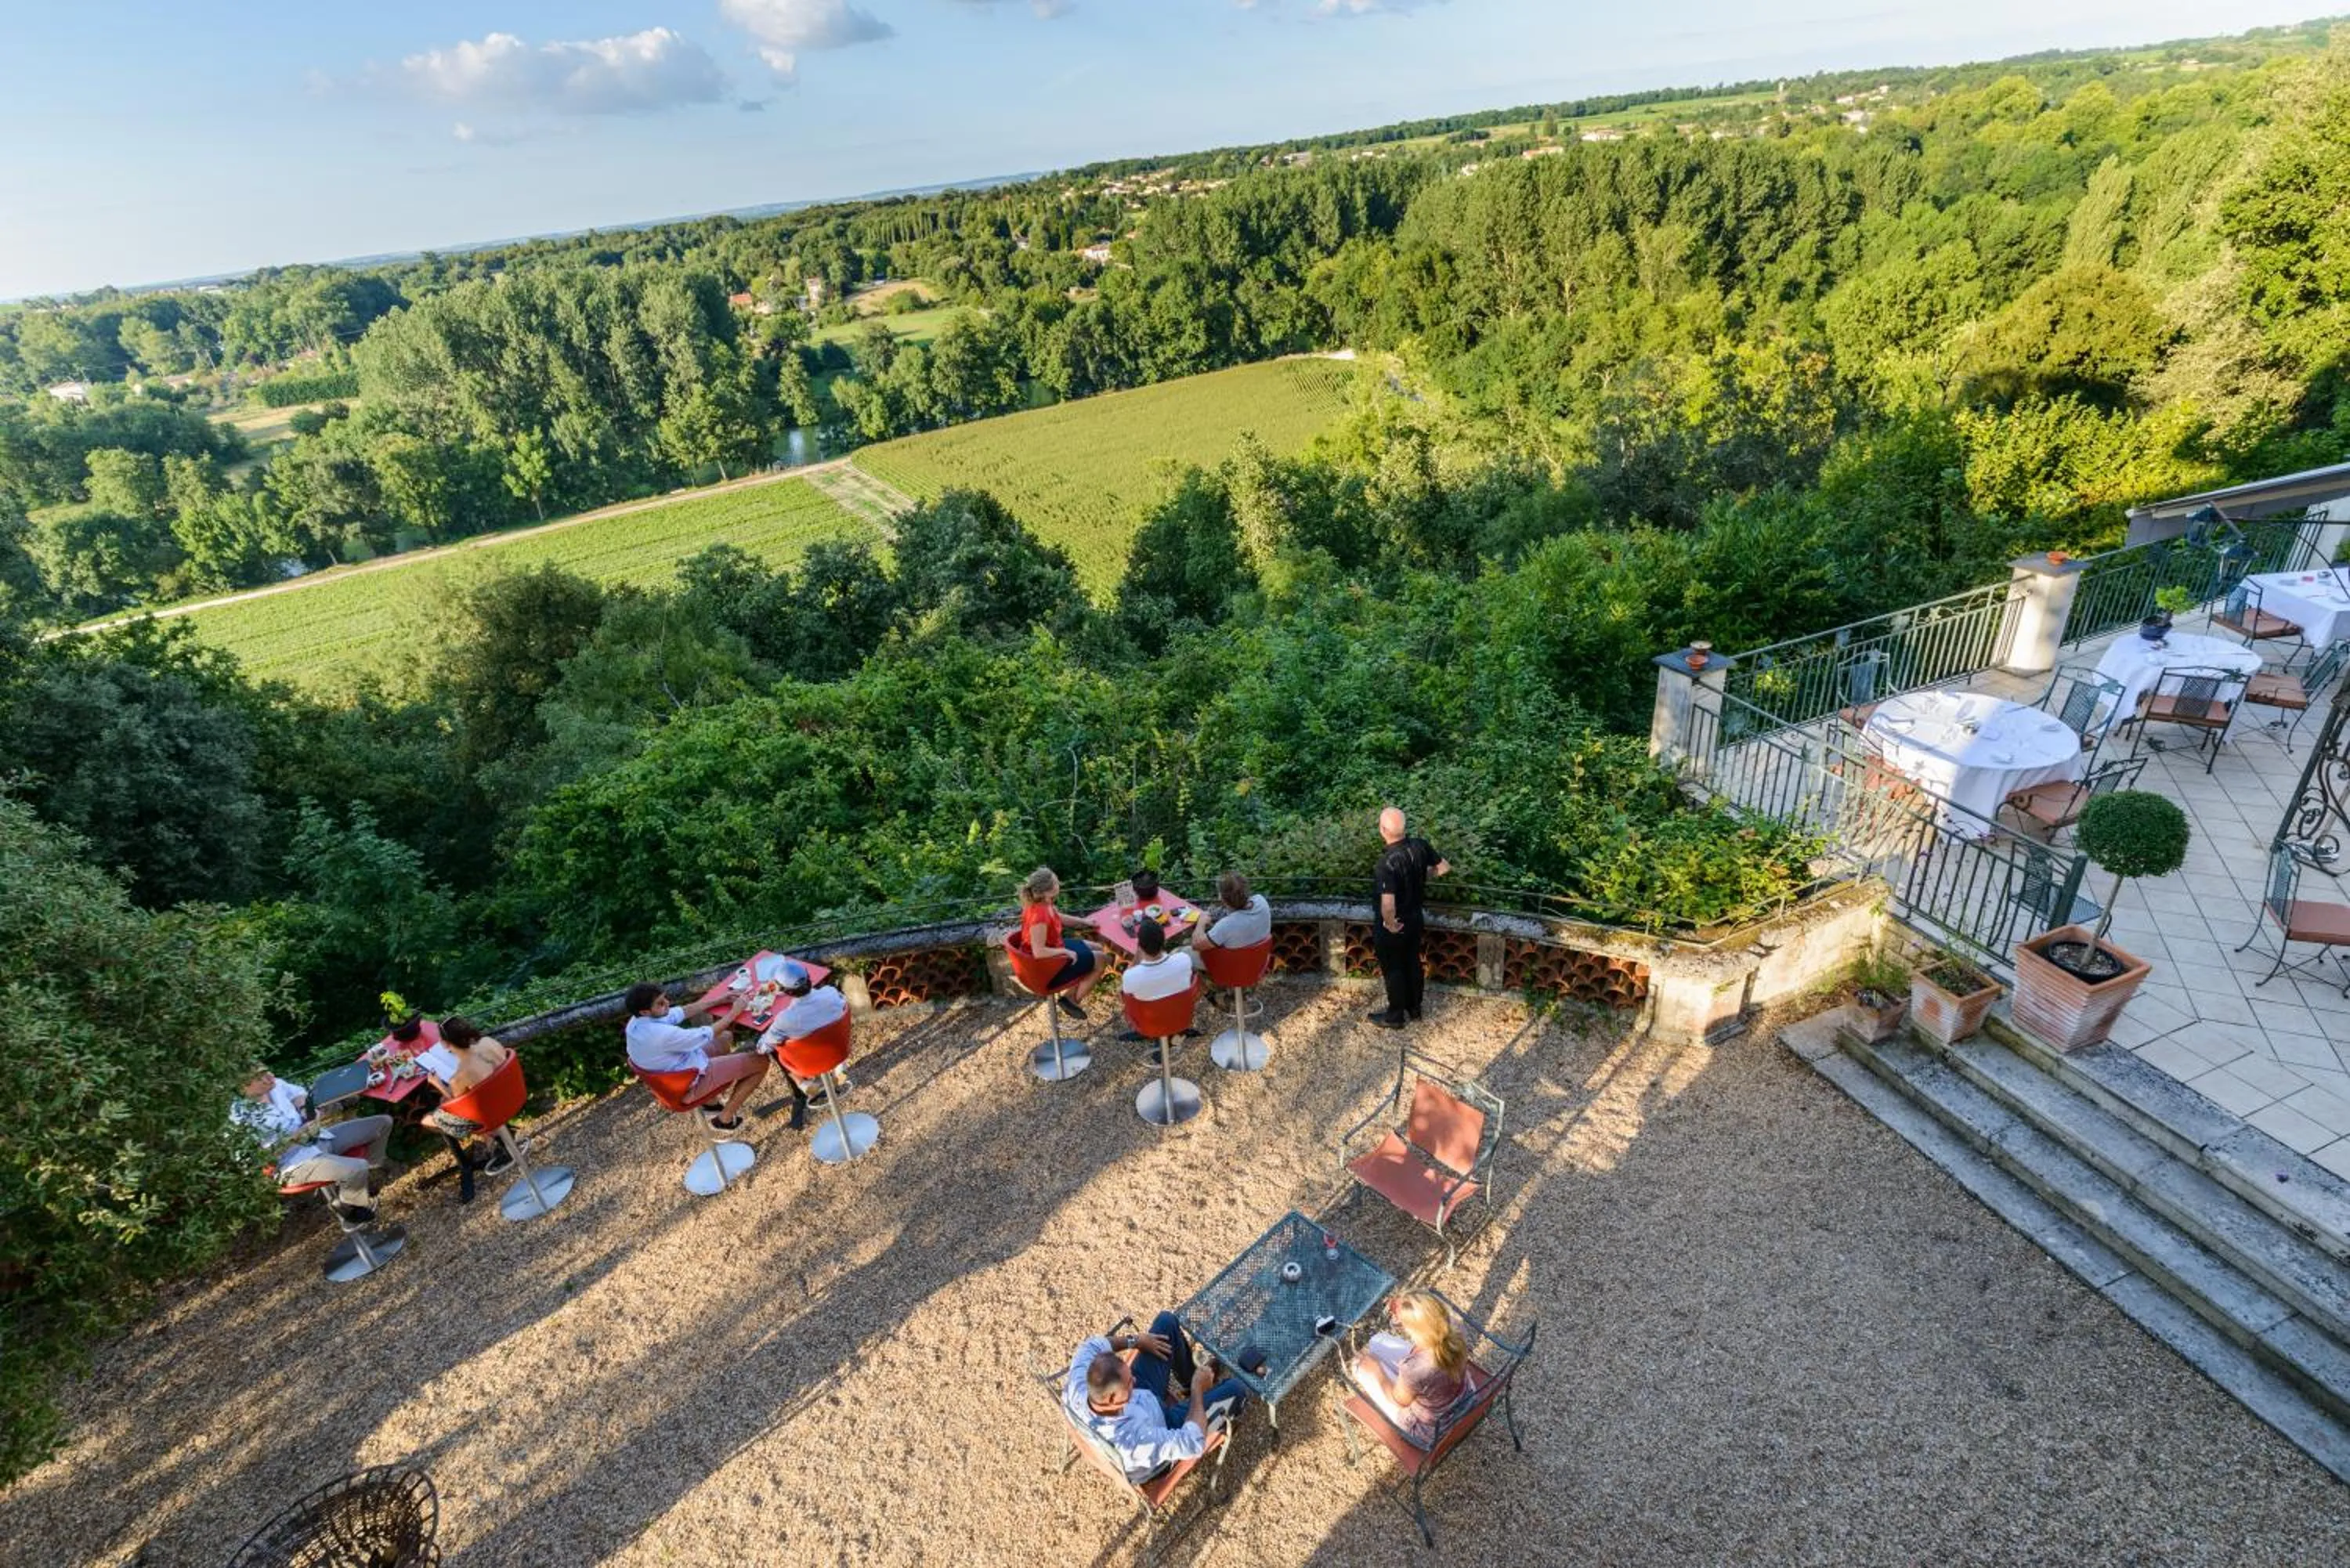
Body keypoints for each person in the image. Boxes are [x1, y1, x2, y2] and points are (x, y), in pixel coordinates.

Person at [1061, 1313, 1263, 1484]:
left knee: (1166, 1322)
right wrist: (1197, 1390)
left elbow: (1093, 1345)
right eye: (1129, 1383)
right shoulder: (1134, 1442)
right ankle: (1199, 1386)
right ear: (1112, 1399)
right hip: (1162, 1427)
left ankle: (1192, 1375)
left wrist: (1137, 1341)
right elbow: (1191, 1443)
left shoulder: (1081, 1382)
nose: (1134, 1378)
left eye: (1129, 1374)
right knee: (1237, 1389)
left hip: (1144, 1403)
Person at [233, 1068, 392, 1226]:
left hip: (319, 1138)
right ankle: (348, 1207)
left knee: (383, 1123)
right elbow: (254, 1162)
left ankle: (366, 1179)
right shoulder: (239, 1117)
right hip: (292, 1164)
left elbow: (298, 1094)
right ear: (245, 1086)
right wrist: (293, 1139)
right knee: (357, 1168)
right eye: (262, 1077)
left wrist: (306, 1110)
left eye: (267, 1071)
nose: (271, 1077)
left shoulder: (275, 1085)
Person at [623, 979, 769, 1133]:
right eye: (661, 1003)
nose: (667, 1003)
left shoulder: (637, 1021)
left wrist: (719, 1000)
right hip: (686, 1083)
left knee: (726, 1037)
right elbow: (709, 1033)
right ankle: (724, 1119)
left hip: (675, 1072)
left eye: (665, 998)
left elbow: (682, 1012)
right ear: (645, 1012)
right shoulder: (660, 1035)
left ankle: (711, 1103)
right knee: (761, 1061)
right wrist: (736, 1011)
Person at [1354, 1290, 1470, 1443]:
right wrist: (1403, 1308)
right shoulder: (1455, 1326)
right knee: (1377, 1340)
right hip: (1461, 1399)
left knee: (1359, 1366)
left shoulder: (1414, 1369)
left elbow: (1398, 1401)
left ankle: (1366, 1370)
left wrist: (1377, 1371)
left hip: (1430, 1429)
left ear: (1417, 1330)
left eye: (1406, 1325)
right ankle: (1396, 1376)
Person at [1369, 807, 1448, 1029]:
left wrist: (1390, 924)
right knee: (1412, 961)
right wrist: (1422, 875)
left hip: (1398, 922)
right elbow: (1443, 868)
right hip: (1416, 917)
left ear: (1383, 830)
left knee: (1393, 966)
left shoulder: (1386, 863)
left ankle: (1395, 1016)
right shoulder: (1420, 845)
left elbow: (1388, 905)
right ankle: (1415, 1009)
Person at [422, 1015, 515, 1204]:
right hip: (510, 1096)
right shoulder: (489, 1042)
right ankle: (493, 1139)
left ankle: (491, 1138)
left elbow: (457, 1104)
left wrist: (437, 1083)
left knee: (429, 1117)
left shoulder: (460, 1076)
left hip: (490, 1113)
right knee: (447, 1101)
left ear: (446, 1044)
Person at [754, 960, 850, 1130]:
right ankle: (839, 1068)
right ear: (809, 977)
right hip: (838, 1049)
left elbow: (763, 1048)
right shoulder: (830, 993)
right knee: (829, 1027)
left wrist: (764, 1036)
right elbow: (843, 1005)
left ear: (785, 991)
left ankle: (803, 1084)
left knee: (778, 1047)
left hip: (807, 1064)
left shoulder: (786, 1019)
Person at [1018, 866, 1104, 1017]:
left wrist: (1084, 922)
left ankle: (1070, 996)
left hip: (1054, 948)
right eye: (1056, 882)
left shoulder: (1044, 902)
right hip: (1045, 967)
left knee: (1098, 947)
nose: (1059, 884)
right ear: (1047, 890)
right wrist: (1064, 951)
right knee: (1102, 960)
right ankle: (1072, 1000)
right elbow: (1038, 952)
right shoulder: (1039, 916)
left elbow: (1058, 916)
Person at [1120, 916, 1197, 1005]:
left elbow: (1124, 994)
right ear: (1164, 941)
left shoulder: (1130, 977)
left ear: (1140, 947)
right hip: (1182, 1012)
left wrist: (1137, 955)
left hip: (1150, 1017)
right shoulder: (1184, 959)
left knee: (1121, 991)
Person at [1191, 872, 1271, 953]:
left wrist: (1201, 922)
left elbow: (1196, 945)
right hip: (1258, 960)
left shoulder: (1226, 925)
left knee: (1183, 950)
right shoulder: (1261, 901)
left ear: (1222, 898)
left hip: (1228, 964)